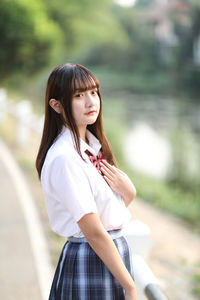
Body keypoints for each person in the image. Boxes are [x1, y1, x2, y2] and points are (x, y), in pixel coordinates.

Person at [36, 62, 138, 300]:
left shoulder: (91, 149)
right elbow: (93, 232)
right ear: (57, 105)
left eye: (93, 92)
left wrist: (129, 193)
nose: (91, 102)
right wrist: (130, 287)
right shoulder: (65, 158)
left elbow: (104, 214)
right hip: (92, 256)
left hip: (106, 255)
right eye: (79, 95)